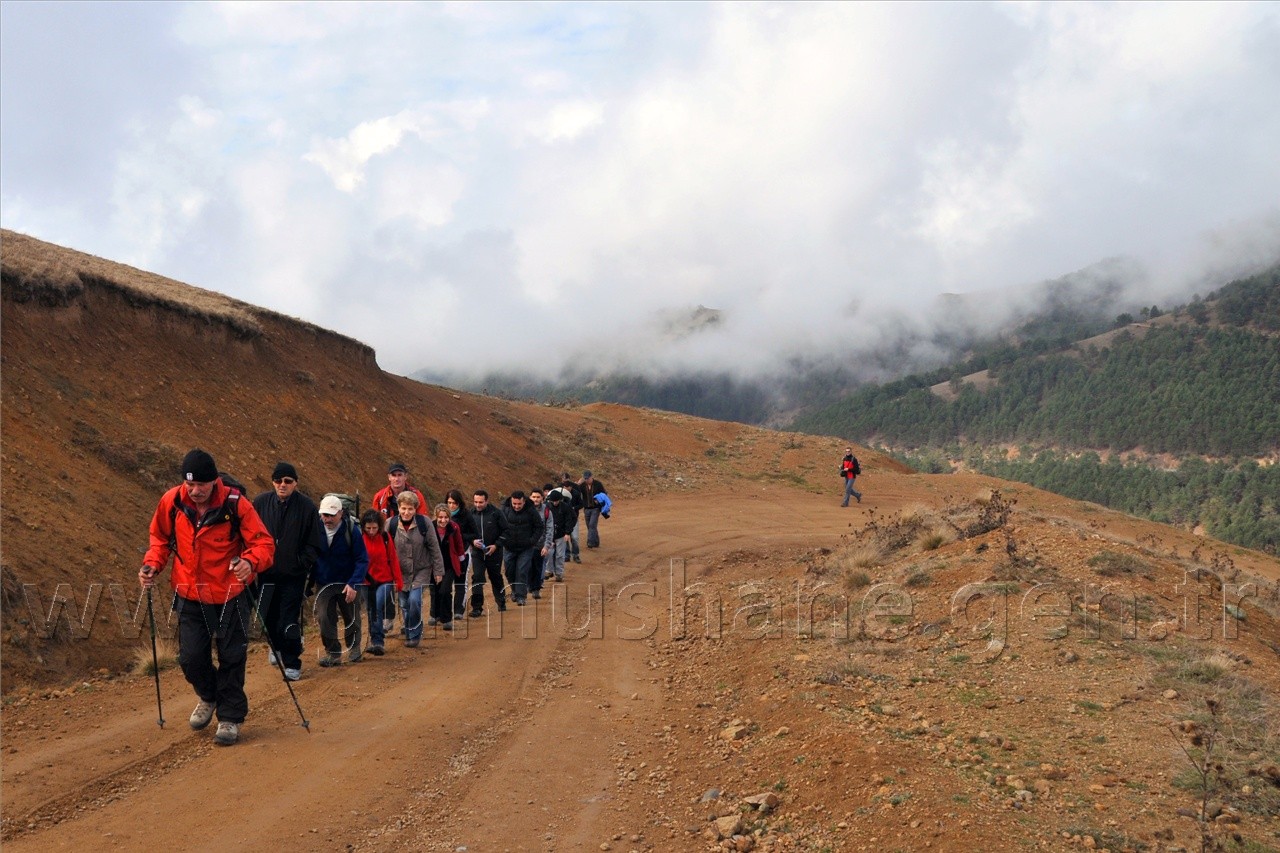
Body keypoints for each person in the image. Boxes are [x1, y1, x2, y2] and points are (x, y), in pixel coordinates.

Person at [139, 449, 275, 747]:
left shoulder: (237, 505)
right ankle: (209, 695)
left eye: (201, 484)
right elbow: (160, 539)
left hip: (231, 592)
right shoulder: (172, 501)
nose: (195, 491)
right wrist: (152, 564)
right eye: (190, 485)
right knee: (190, 658)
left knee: (232, 657)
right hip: (189, 592)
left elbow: (263, 543)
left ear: (214, 481)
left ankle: (230, 718)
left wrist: (250, 562)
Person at [251, 462, 325, 682]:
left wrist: (301, 563)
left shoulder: (307, 507)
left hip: (293, 576)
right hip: (265, 573)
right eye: (278, 480)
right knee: (267, 617)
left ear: (295, 483)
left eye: (287, 481)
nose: (282, 485)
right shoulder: (261, 503)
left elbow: (314, 543)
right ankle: (277, 646)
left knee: (288, 620)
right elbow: (251, 533)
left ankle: (292, 663)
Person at [312, 495, 370, 666]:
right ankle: (333, 652)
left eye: (331, 515)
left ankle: (354, 648)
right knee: (324, 617)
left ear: (341, 513)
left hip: (347, 581)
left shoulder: (351, 530)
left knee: (350, 615)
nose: (327, 519)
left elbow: (362, 559)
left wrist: (353, 584)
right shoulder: (315, 529)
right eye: (324, 515)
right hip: (324, 581)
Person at [387, 491, 444, 647]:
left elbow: (434, 547)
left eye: (410, 509)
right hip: (400, 572)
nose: (407, 512)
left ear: (415, 509)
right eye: (404, 508)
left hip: (421, 569)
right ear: (398, 507)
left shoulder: (424, 523)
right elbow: (384, 549)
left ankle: (414, 634)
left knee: (415, 600)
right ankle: (410, 627)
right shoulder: (390, 524)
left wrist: (439, 570)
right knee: (405, 604)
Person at [359, 509, 403, 655]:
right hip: (366, 581)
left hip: (385, 580)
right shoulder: (359, 539)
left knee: (376, 606)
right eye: (368, 528)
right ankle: (376, 640)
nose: (371, 531)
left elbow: (393, 558)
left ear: (380, 526)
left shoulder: (385, 537)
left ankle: (378, 641)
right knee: (371, 610)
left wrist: (398, 580)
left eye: (374, 528)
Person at [468, 490, 507, 617]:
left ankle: (501, 602)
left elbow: (506, 531)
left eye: (481, 502)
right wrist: (472, 541)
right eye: (475, 502)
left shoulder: (496, 513)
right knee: (477, 577)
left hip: (494, 552)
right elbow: (465, 532)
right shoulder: (470, 514)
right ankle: (477, 608)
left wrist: (496, 545)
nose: (478, 505)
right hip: (477, 553)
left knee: (495, 577)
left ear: (487, 501)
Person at [431, 503, 465, 630]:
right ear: (436, 516)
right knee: (435, 590)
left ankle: (446, 618)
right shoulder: (430, 527)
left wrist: (462, 562)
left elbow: (459, 544)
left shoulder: (454, 528)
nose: (443, 520)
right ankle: (435, 615)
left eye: (446, 517)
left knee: (445, 590)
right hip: (433, 565)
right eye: (440, 517)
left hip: (450, 564)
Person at [445, 489, 478, 621]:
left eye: (454, 503)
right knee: (446, 584)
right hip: (446, 554)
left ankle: (459, 609)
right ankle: (443, 611)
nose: (451, 505)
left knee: (461, 582)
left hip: (462, 552)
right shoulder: (442, 514)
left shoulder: (466, 515)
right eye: (449, 502)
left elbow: (475, 534)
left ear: (459, 503)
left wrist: (458, 535)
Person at [543, 487, 575, 584]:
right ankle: (548, 571)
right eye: (553, 501)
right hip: (550, 535)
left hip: (561, 534)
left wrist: (567, 533)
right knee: (548, 553)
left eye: (557, 501)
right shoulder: (547, 507)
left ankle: (559, 574)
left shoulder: (566, 507)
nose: (555, 503)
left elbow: (570, 520)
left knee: (560, 555)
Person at [527, 488, 554, 600]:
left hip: (540, 544)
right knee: (527, 567)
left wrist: (547, 545)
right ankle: (528, 586)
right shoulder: (525, 510)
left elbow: (549, 528)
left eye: (538, 497)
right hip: (526, 545)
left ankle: (536, 589)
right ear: (529, 498)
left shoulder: (547, 511)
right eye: (533, 497)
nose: (535, 499)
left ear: (542, 498)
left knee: (538, 567)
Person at [555, 473, 584, 563]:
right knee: (565, 538)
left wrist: (574, 508)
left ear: (571, 487)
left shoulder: (576, 493)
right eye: (565, 488)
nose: (566, 489)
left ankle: (576, 555)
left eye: (568, 488)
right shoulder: (561, 495)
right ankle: (567, 555)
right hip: (563, 520)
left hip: (573, 519)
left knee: (574, 538)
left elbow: (581, 504)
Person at [579, 470, 607, 549]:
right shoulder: (582, 485)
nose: (587, 480)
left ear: (592, 477)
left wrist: (599, 500)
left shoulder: (598, 484)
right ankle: (596, 542)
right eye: (585, 479)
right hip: (586, 509)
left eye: (588, 478)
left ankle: (590, 542)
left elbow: (604, 494)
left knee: (591, 525)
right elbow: (576, 491)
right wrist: (578, 484)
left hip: (596, 508)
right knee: (590, 526)